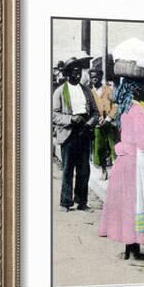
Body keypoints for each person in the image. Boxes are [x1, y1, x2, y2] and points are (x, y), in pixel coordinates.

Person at [98, 77, 144, 260]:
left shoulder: (126, 110)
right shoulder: (138, 112)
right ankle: (135, 253)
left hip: (123, 162)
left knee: (126, 207)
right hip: (134, 165)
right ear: (137, 91)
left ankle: (129, 250)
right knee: (135, 206)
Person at [52, 57, 99, 211]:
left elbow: (95, 112)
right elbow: (54, 115)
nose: (77, 75)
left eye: (79, 72)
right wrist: (71, 119)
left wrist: (89, 123)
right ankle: (66, 202)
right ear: (67, 74)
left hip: (84, 131)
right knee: (67, 169)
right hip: (69, 133)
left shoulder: (86, 90)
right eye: (74, 72)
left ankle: (82, 201)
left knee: (84, 169)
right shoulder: (60, 91)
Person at [89, 68, 118, 180]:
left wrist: (109, 119)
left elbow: (116, 105)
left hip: (110, 123)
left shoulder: (108, 90)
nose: (94, 79)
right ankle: (104, 170)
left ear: (100, 77)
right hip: (97, 124)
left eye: (96, 76)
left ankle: (117, 171)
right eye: (92, 77)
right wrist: (96, 119)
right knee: (100, 148)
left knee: (114, 147)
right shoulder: (90, 92)